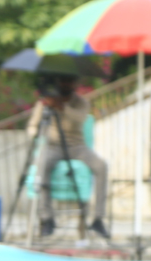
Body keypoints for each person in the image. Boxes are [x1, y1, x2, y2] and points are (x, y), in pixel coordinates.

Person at [25, 75, 111, 239]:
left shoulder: (81, 102)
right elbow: (32, 126)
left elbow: (80, 118)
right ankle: (47, 218)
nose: (66, 84)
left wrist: (61, 107)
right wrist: (35, 132)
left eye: (70, 81)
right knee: (42, 167)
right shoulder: (46, 102)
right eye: (63, 80)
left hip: (77, 146)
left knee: (101, 166)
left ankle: (98, 218)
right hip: (53, 146)